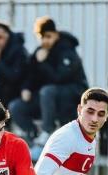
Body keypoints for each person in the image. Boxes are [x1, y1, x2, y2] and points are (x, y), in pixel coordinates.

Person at [9, 17, 88, 145]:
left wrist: (44, 63)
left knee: (47, 91)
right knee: (16, 107)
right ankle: (34, 137)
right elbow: (30, 74)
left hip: (72, 93)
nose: (45, 40)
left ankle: (47, 131)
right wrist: (26, 88)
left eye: (48, 36)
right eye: (41, 37)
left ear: (56, 34)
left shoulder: (67, 50)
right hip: (47, 99)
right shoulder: (39, 52)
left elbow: (60, 77)